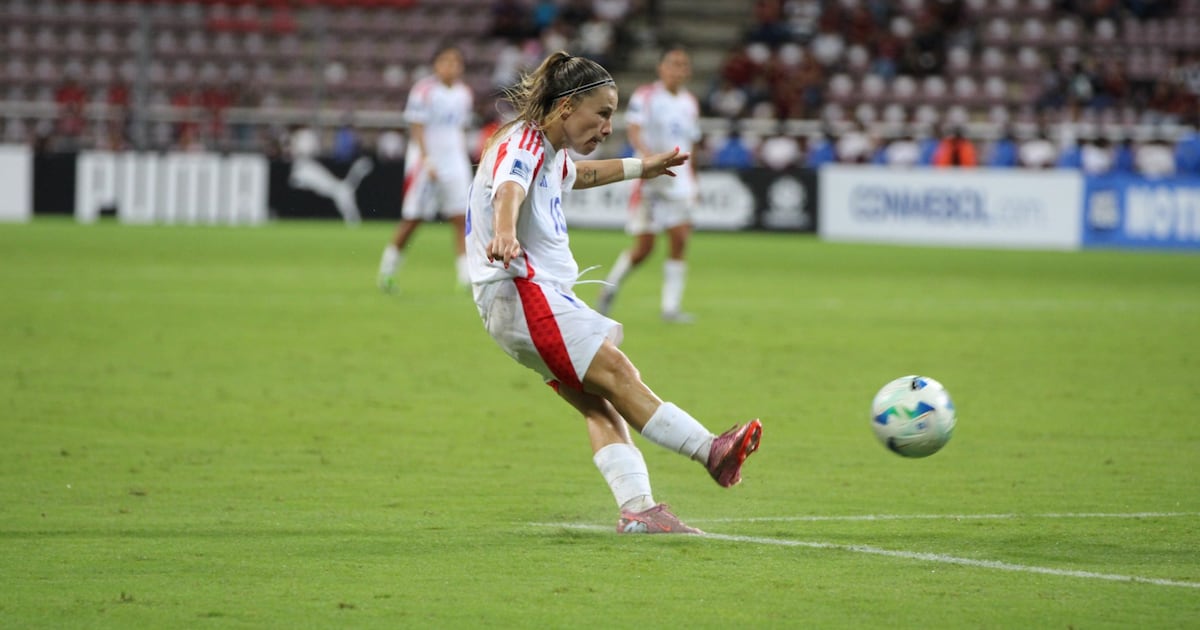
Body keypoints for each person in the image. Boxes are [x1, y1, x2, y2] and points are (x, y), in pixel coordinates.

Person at [467, 51, 763, 535]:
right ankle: (712, 451)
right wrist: (504, 232)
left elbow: (579, 176)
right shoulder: (523, 143)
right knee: (618, 372)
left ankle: (638, 509)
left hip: (519, 301)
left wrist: (640, 166)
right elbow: (509, 190)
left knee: (599, 401)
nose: (607, 126)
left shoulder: (548, 150)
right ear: (566, 108)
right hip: (523, 292)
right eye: (601, 114)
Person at [595, 45, 701, 323]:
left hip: (681, 182)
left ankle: (670, 308)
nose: (678, 70)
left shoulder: (690, 102)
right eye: (673, 64)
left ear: (687, 71)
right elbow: (634, 129)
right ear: (661, 68)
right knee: (645, 248)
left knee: (679, 240)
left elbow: (692, 144)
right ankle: (610, 288)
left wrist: (695, 181)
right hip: (652, 179)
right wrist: (647, 157)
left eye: (682, 65)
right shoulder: (647, 96)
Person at [378, 44, 475, 292]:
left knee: (461, 217)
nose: (451, 66)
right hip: (427, 161)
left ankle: (465, 277)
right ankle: (387, 270)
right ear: (436, 65)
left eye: (455, 62)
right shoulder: (424, 91)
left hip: (454, 160)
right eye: (445, 61)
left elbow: (459, 128)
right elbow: (417, 126)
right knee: (413, 218)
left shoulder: (464, 93)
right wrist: (425, 158)